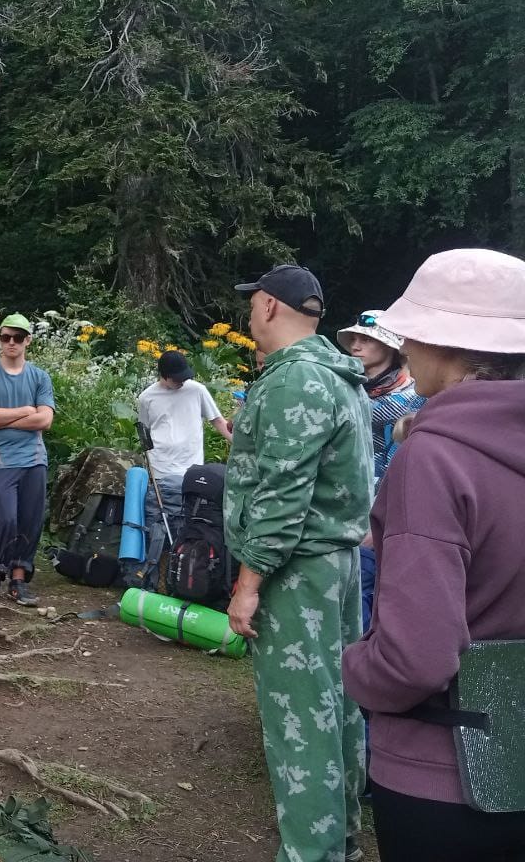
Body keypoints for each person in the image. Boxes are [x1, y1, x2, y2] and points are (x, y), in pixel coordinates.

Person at [341, 248, 525, 862]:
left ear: (451, 346)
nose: (406, 347)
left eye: (412, 332)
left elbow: (416, 659)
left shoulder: (436, 459)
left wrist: (353, 668)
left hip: (444, 776)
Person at [224, 263, 372, 862]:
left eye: (250, 303)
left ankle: (312, 852)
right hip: (335, 564)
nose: (248, 315)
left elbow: (283, 496)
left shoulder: (295, 381)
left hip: (297, 573)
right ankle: (342, 839)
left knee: (300, 718)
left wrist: (248, 582)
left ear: (267, 306)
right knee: (337, 706)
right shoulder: (340, 376)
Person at [0, 314, 55, 606]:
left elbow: (45, 420)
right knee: (5, 517)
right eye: (6, 337)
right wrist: (25, 410)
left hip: (34, 459)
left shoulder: (40, 376)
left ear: (27, 340)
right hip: (0, 459)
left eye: (17, 337)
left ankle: (18, 578)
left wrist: (1, 421)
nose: (11, 342)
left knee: (30, 520)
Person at [135, 350, 230, 588]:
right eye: (176, 378)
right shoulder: (147, 397)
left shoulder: (196, 390)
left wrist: (238, 444)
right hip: (161, 470)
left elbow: (218, 421)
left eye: (184, 377)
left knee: (188, 525)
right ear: (163, 375)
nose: (181, 381)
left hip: (191, 472)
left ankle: (187, 576)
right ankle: (153, 578)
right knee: (158, 526)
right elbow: (145, 433)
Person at [336, 310, 427, 481]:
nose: (355, 346)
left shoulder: (414, 398)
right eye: (354, 339)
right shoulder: (341, 387)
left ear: (389, 346)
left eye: (366, 339)